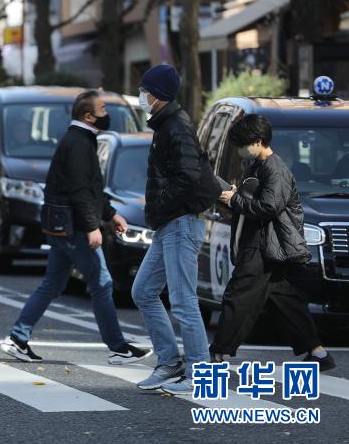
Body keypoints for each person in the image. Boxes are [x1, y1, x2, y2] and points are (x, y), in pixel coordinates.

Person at [0, 91, 152, 365]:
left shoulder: (78, 140)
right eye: (103, 109)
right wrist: (93, 226)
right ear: (88, 116)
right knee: (102, 283)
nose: (107, 114)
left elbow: (91, 188)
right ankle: (118, 347)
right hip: (74, 228)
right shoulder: (79, 143)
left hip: (62, 225)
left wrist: (111, 214)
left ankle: (17, 338)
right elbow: (81, 190)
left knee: (53, 283)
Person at [212, 114, 335, 371]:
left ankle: (216, 355)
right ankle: (318, 352)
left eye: (242, 144)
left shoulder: (274, 168)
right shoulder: (257, 165)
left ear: (258, 141)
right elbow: (255, 199)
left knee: (238, 296)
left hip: (263, 245)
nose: (239, 149)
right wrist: (235, 195)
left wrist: (234, 200)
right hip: (265, 244)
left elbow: (269, 207)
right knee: (284, 300)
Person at [131, 65, 210, 396]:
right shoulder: (166, 124)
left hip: (180, 222)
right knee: (143, 291)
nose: (142, 96)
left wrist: (161, 205)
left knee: (183, 301)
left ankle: (200, 372)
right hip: (169, 224)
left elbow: (188, 176)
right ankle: (169, 363)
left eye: (144, 90)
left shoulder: (176, 125)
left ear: (158, 95)